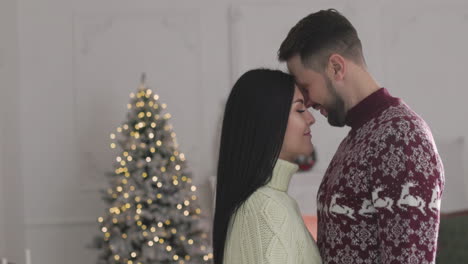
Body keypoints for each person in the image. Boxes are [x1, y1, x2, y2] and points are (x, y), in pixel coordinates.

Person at [278, 8, 445, 264]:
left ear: (336, 67)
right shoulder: (362, 134)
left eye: (307, 86)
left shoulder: (401, 137)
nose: (307, 101)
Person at [213, 69, 322, 264]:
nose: (311, 119)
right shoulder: (267, 209)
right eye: (299, 110)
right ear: (268, 120)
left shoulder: (269, 202)